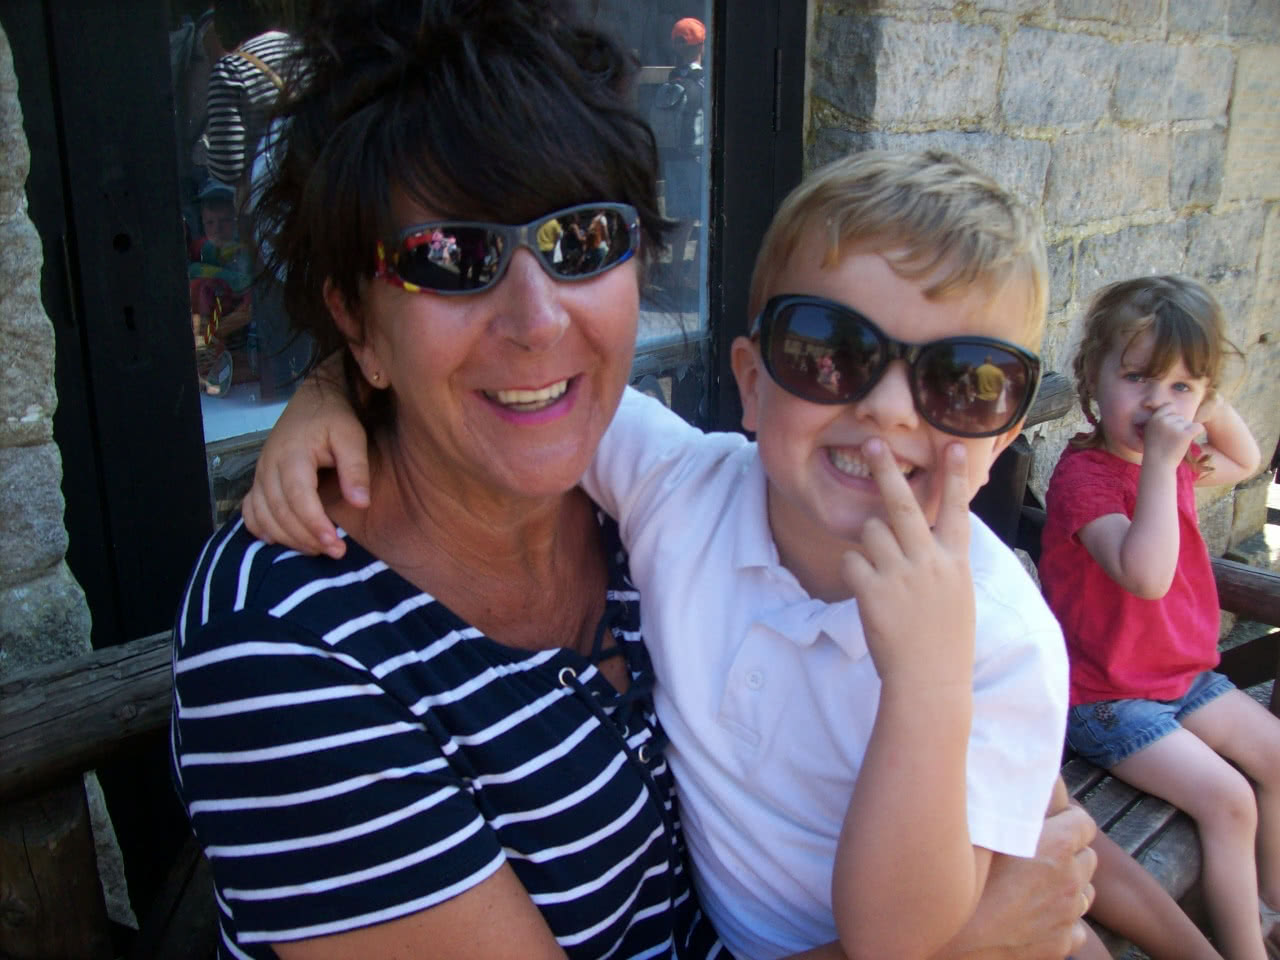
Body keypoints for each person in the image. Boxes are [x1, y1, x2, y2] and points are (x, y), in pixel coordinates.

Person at [240, 146, 1101, 959]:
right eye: (830, 353)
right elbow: (506, 396)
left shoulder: (1000, 642)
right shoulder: (680, 487)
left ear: (1004, 437)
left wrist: (928, 687)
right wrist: (332, 388)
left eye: (962, 381)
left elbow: (895, 942)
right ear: (752, 383)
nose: (889, 409)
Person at [1039, 275, 1277, 960]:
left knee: (1276, 757)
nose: (1155, 402)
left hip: (1181, 678)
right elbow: (1145, 576)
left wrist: (1202, 397)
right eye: (1137, 377)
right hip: (1106, 697)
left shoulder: (1172, 461)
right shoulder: (1085, 480)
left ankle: (1270, 910)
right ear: (1094, 376)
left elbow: (1245, 459)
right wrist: (1167, 453)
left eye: (1178, 386)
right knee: (1229, 800)